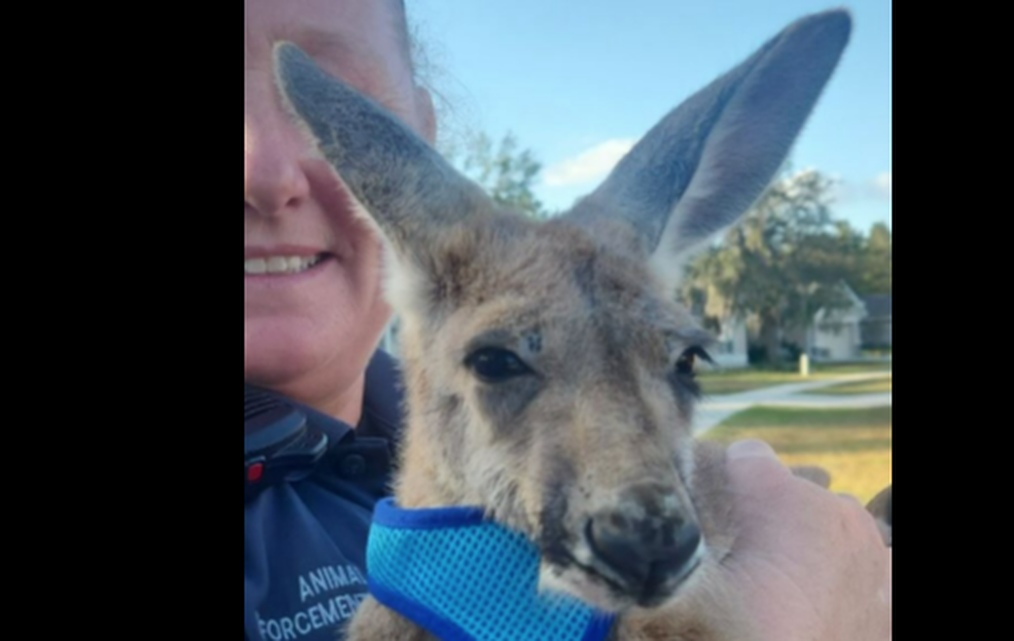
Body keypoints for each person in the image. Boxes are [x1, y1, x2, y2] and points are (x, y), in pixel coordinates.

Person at [243, 1, 891, 639]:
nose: (264, 176)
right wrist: (804, 602)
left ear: (422, 126)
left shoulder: (395, 418)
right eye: (499, 364)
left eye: (680, 364)